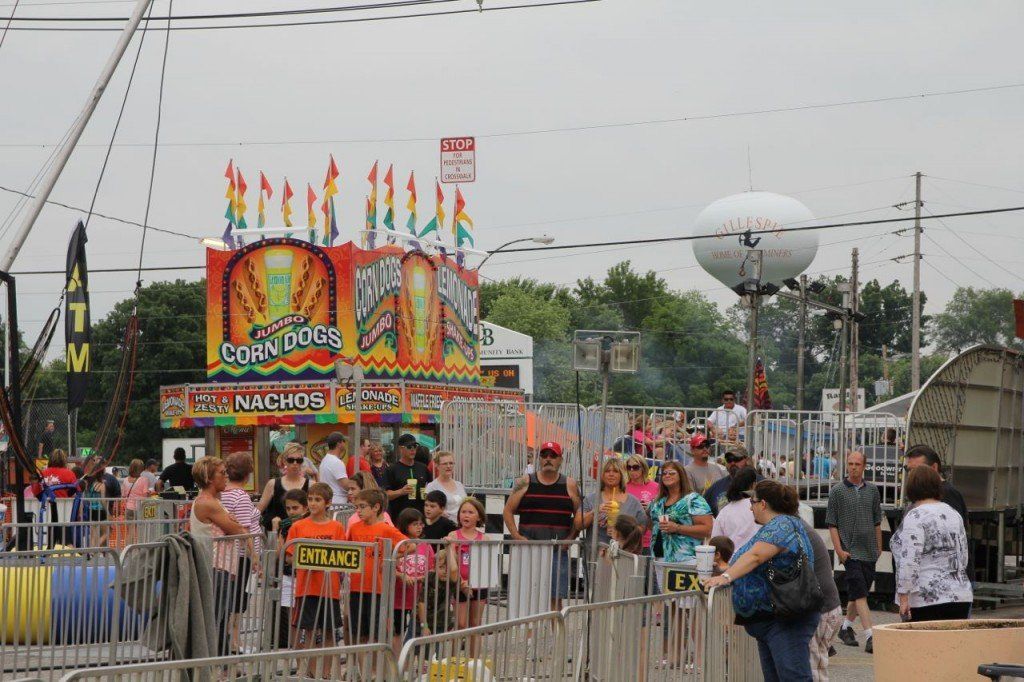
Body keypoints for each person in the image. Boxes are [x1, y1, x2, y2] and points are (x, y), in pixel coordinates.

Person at [703, 480, 820, 682]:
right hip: (772, 618)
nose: (750, 508)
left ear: (763, 504)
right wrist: (725, 571)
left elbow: (756, 556)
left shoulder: (783, 524)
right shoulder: (776, 526)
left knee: (794, 678)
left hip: (784, 618)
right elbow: (755, 562)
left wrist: (725, 577)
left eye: (753, 502)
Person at [189, 456, 259, 655]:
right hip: (215, 567)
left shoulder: (214, 501)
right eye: (222, 473)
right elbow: (238, 529)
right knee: (216, 618)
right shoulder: (208, 503)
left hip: (221, 567)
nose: (226, 476)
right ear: (209, 478)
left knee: (220, 617)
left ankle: (218, 661)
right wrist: (254, 554)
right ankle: (214, 662)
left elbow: (235, 527)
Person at [503, 441, 581, 609]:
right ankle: (529, 627)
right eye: (544, 455)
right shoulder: (525, 481)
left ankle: (556, 628)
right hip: (528, 549)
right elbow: (508, 510)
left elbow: (579, 517)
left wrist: (570, 539)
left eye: (553, 455)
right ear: (539, 459)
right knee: (527, 596)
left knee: (555, 598)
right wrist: (516, 536)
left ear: (560, 460)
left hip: (557, 550)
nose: (548, 459)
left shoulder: (570, 485)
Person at [890, 465, 972, 622]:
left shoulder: (915, 516)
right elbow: (963, 556)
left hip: (926, 598)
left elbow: (910, 559)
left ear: (911, 488)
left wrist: (904, 597)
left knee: (924, 639)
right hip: (960, 595)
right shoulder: (954, 514)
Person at [284, 482, 346, 678]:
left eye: (317, 499)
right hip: (306, 587)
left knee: (329, 631)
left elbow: (344, 556)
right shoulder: (298, 526)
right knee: (309, 631)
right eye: (310, 499)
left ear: (328, 503)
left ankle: (326, 673)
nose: (312, 503)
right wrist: (306, 558)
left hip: (329, 588)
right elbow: (289, 556)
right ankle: (311, 672)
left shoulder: (336, 527)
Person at [826, 451, 882, 653]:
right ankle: (870, 636)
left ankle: (845, 627)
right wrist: (839, 550)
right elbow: (832, 523)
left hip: (869, 550)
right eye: (850, 463)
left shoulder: (873, 490)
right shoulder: (837, 491)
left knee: (859, 593)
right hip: (850, 552)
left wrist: (879, 546)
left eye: (857, 464)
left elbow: (877, 520)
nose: (853, 467)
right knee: (860, 594)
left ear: (864, 466)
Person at [903, 443, 972, 585]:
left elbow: (955, 541)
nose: (911, 475)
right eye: (908, 470)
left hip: (943, 583)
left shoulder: (947, 494)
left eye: (917, 470)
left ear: (934, 468)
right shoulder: (921, 495)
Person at [347, 489, 410, 645]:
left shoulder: (386, 529)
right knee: (359, 633)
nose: (358, 511)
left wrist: (391, 558)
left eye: (362, 507)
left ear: (376, 507)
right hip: (356, 586)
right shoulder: (354, 528)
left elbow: (410, 546)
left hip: (378, 588)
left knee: (377, 634)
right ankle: (362, 662)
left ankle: (376, 662)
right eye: (357, 507)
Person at [220, 453, 263, 652]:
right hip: (241, 555)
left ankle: (231, 639)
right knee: (239, 600)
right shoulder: (241, 496)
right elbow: (244, 530)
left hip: (227, 555)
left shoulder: (223, 493)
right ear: (248, 474)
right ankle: (235, 641)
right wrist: (255, 557)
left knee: (231, 598)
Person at [649, 461, 713, 565]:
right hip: (658, 558)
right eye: (664, 473)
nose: (667, 475)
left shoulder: (693, 499)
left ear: (681, 476)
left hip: (685, 559)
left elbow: (707, 529)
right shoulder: (657, 502)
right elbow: (651, 524)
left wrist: (677, 528)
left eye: (672, 473)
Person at [447, 497, 489, 654]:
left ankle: (474, 661)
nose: (466, 515)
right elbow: (451, 564)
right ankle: (453, 659)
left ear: (478, 517)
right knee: (460, 624)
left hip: (479, 584)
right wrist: (462, 583)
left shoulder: (484, 538)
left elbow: (487, 565)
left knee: (475, 624)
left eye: (471, 512)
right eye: (463, 512)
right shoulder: (453, 535)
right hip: (460, 584)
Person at [804, 513, 843, 682]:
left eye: (754, 502)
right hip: (825, 607)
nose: (751, 508)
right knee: (815, 667)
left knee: (814, 671)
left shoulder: (792, 530)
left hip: (822, 609)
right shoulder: (798, 527)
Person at [579, 458, 647, 552]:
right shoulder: (591, 499)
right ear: (602, 475)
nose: (611, 474)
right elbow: (578, 525)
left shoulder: (633, 502)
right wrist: (594, 512)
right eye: (607, 471)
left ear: (621, 475)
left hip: (623, 555)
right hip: (595, 555)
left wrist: (622, 530)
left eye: (615, 471)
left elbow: (642, 528)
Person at [393, 508, 434, 653]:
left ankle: (411, 660)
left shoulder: (426, 545)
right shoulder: (398, 545)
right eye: (415, 524)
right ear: (405, 525)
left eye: (421, 524)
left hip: (419, 598)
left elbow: (432, 569)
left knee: (417, 631)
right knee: (397, 632)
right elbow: (388, 566)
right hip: (399, 597)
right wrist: (402, 575)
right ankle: (397, 662)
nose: (419, 527)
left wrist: (423, 578)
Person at [273, 488, 308, 649]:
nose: (291, 512)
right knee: (291, 618)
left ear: (305, 508)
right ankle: (296, 651)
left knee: (306, 617)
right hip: (289, 575)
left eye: (295, 508)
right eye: (288, 508)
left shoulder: (308, 524)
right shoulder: (285, 526)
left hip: (306, 577)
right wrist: (277, 531)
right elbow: (280, 553)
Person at [257, 442, 312, 531]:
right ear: (284, 461)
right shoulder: (273, 484)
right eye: (291, 460)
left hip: (303, 534)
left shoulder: (311, 485)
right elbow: (258, 511)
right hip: (277, 532)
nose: (295, 463)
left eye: (299, 460)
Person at [383, 433, 432, 518]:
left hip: (420, 516)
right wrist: (401, 491)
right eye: (409, 447)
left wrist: (427, 492)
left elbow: (431, 486)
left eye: (415, 446)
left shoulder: (423, 467)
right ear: (401, 449)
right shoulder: (392, 469)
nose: (413, 450)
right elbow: (385, 495)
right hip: (400, 516)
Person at [711, 467, 759, 551]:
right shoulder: (760, 507)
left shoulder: (725, 511)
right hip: (756, 555)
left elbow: (715, 541)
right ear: (754, 485)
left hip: (731, 556)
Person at [704, 445, 760, 515]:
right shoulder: (715, 488)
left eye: (737, 459)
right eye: (729, 459)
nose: (733, 463)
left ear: (747, 460)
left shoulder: (762, 484)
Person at [624, 454, 659, 553]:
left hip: (650, 539)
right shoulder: (623, 487)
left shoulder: (656, 487)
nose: (632, 470)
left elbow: (662, 509)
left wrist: (650, 507)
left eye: (635, 467)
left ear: (643, 467)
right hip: (629, 538)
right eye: (629, 467)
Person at [425, 451, 466, 522]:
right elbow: (428, 510)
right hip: (444, 525)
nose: (448, 466)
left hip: (461, 525)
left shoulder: (459, 485)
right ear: (437, 465)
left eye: (451, 463)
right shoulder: (432, 487)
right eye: (445, 464)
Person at [317, 432, 349, 505]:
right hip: (338, 502)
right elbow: (346, 485)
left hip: (329, 500)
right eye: (344, 441)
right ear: (339, 444)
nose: (345, 444)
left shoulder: (325, 459)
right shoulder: (336, 462)